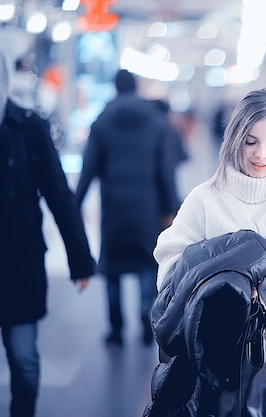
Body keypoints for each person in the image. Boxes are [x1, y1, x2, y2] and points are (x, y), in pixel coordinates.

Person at [153, 88, 266, 416]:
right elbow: (172, 258)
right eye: (251, 141)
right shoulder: (206, 197)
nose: (261, 155)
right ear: (235, 137)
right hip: (209, 360)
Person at [0, 42, 96, 417]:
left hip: (19, 262)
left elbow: (58, 194)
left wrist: (80, 260)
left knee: (24, 360)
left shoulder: (28, 128)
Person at [75, 69, 179, 346]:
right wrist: (171, 209)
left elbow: (88, 169)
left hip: (114, 205)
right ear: (136, 88)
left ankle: (116, 328)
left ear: (115, 87)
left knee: (113, 267)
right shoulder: (156, 123)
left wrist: (75, 204)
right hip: (147, 206)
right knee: (147, 263)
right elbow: (165, 171)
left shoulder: (102, 122)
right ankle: (147, 318)